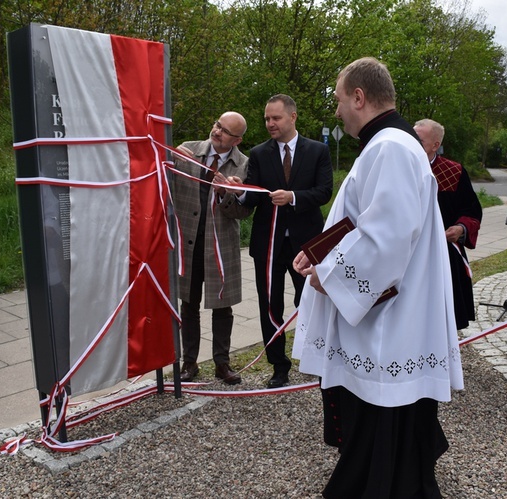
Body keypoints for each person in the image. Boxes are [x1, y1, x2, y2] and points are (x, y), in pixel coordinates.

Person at [292, 57, 463, 498]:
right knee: (381, 429)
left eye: (337, 100)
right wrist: (320, 255)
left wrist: (328, 277)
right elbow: (363, 223)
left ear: (359, 97)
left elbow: (387, 237)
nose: (336, 111)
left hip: (389, 323)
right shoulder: (391, 144)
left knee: (380, 427)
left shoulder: (390, 147)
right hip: (386, 317)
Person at [238, 94, 333, 389]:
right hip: (268, 245)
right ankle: (279, 367)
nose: (269, 124)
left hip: (308, 244)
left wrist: (293, 198)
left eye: (275, 118)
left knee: (311, 301)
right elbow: (253, 196)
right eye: (267, 118)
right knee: (270, 305)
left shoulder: (317, 151)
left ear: (292, 117)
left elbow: (324, 192)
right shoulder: (259, 153)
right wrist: (237, 191)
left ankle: (315, 358)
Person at [170, 112, 252, 385]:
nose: (217, 132)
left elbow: (242, 212)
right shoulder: (186, 151)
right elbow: (165, 186)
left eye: (226, 131)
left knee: (222, 306)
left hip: (221, 248)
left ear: (237, 139)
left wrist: (226, 194)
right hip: (189, 243)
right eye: (217, 125)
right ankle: (189, 363)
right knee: (188, 305)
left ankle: (222, 363)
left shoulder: (243, 166)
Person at [414, 118, 482, 329]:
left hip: (443, 251)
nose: (414, 144)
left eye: (420, 140)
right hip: (408, 251)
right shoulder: (398, 167)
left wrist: (461, 228)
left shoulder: (453, 172)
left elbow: (471, 210)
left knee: (445, 313)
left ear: (436, 145)